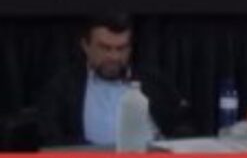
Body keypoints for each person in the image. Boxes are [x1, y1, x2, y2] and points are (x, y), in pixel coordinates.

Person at [36, 14, 184, 146]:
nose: (114, 57)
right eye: (105, 48)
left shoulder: (155, 83)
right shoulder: (61, 88)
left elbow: (182, 127)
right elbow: (51, 139)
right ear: (86, 46)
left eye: (121, 48)